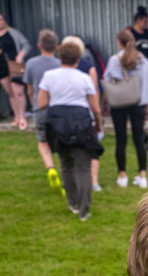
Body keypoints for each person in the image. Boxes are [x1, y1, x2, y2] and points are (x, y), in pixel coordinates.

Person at [37, 41, 102, 221]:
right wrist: (98, 124)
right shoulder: (84, 78)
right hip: (80, 123)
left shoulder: (49, 76)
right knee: (83, 167)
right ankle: (84, 210)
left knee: (66, 164)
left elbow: (41, 103)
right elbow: (95, 107)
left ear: (60, 56)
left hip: (57, 123)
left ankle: (72, 203)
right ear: (78, 59)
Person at [103, 29, 148, 189]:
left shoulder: (113, 60)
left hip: (119, 104)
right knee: (139, 139)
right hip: (138, 103)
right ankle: (142, 175)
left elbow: (107, 81)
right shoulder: (143, 60)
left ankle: (122, 175)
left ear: (119, 42)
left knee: (121, 139)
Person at [62, 35, 103, 192]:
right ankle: (93, 181)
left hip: (63, 118)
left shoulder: (56, 70)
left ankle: (72, 184)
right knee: (91, 148)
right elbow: (94, 94)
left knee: (69, 153)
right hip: (84, 115)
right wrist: (97, 116)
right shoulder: (88, 68)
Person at [23, 29, 62, 189]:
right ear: (56, 47)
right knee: (60, 142)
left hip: (40, 109)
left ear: (39, 45)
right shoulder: (60, 64)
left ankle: (50, 168)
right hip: (58, 111)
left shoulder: (31, 64)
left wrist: (33, 102)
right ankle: (62, 170)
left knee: (42, 140)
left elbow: (30, 89)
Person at [0, 11, 30, 129]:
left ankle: (22, 117)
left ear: (4, 21)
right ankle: (16, 116)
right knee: (11, 93)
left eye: (1, 19)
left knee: (19, 91)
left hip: (15, 65)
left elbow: (26, 45)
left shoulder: (13, 33)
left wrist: (20, 56)